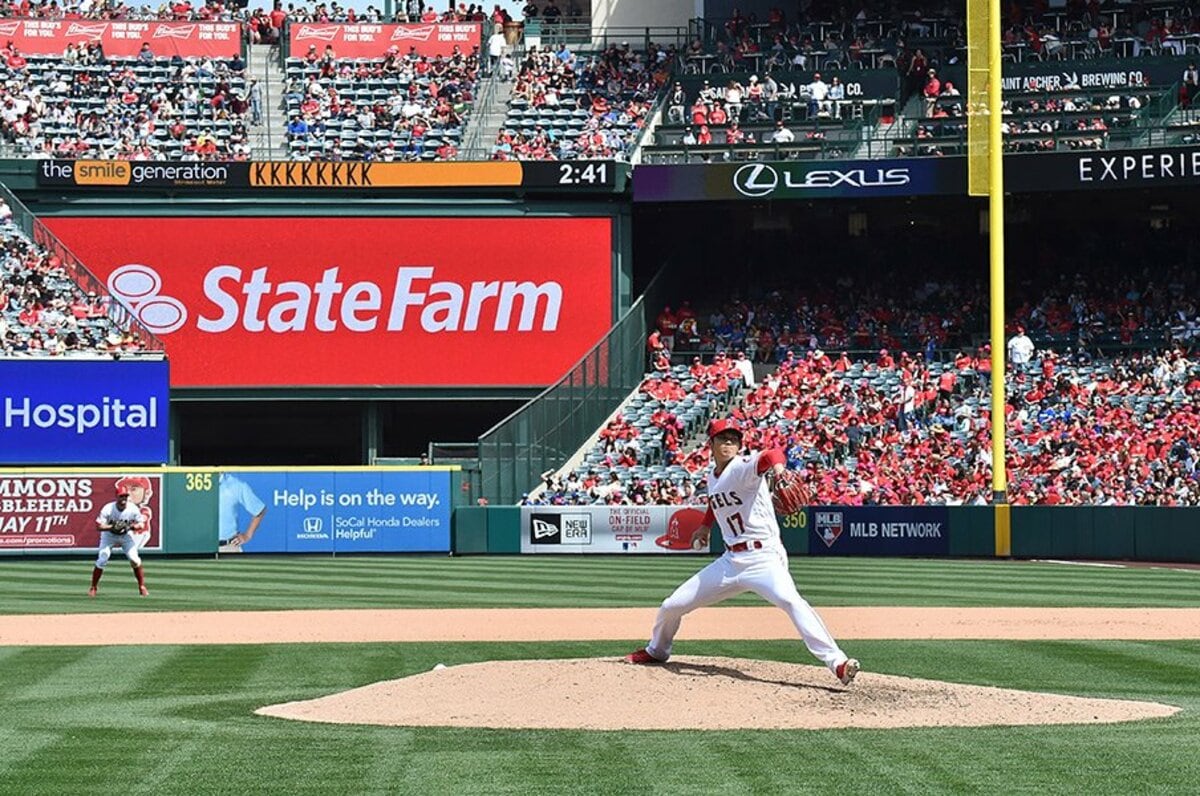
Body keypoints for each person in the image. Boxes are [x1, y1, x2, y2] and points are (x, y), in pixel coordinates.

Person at [625, 419, 860, 687]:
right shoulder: (713, 476)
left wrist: (780, 469)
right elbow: (717, 500)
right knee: (671, 605)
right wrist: (704, 527)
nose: (729, 443)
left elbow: (772, 455)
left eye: (734, 439)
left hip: (764, 558)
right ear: (710, 444)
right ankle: (658, 650)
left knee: (791, 602)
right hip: (730, 561)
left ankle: (837, 662)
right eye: (723, 438)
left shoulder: (743, 466)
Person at [88, 485, 149, 597]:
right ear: (117, 497)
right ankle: (93, 587)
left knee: (135, 560)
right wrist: (112, 527)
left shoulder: (133, 508)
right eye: (121, 496)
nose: (123, 499)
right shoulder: (108, 508)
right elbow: (99, 526)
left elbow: (141, 524)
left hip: (125, 536)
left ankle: (142, 586)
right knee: (102, 558)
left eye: (125, 496)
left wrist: (131, 527)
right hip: (109, 536)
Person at [219, 472, 267, 548]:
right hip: (199, 546)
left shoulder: (236, 485)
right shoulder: (195, 483)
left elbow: (260, 511)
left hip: (228, 547)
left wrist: (247, 535)